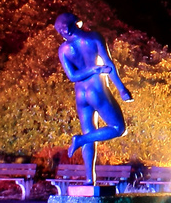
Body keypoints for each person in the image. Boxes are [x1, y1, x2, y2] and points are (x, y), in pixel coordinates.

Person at [54, 13, 133, 184]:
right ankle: (80, 140)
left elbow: (73, 76)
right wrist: (120, 88)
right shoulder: (93, 38)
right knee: (118, 128)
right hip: (96, 90)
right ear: (77, 23)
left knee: (89, 131)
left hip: (81, 94)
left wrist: (91, 70)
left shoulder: (64, 50)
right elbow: (108, 64)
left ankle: (90, 180)